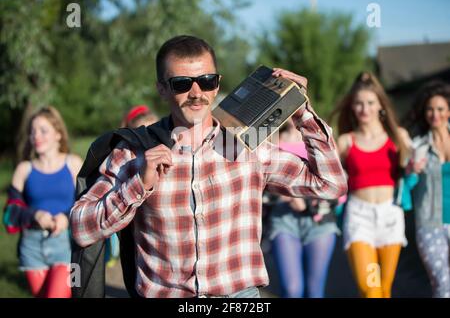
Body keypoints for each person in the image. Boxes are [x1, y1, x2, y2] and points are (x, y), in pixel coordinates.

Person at [70, 35, 347, 298]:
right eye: (181, 83)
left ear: (217, 84)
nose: (196, 93)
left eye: (206, 81)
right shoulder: (133, 151)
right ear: (162, 88)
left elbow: (331, 184)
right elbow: (81, 228)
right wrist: (138, 186)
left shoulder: (248, 146)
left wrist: (301, 112)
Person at [330, 72, 411, 298]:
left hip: (390, 217)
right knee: (371, 289)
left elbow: (412, 173)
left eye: (370, 103)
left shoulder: (398, 137)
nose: (364, 109)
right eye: (358, 104)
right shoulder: (346, 141)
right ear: (352, 108)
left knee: (384, 290)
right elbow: (329, 176)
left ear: (380, 106)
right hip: (359, 218)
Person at [3, 106, 83, 298]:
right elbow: (10, 214)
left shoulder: (73, 164)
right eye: (32, 131)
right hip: (32, 249)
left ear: (58, 134)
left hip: (68, 247)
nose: (36, 136)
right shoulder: (23, 169)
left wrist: (65, 217)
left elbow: (87, 204)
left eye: (43, 130)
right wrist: (35, 215)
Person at [267, 119, 340, 298]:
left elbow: (338, 184)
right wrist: (287, 195)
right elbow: (260, 179)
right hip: (284, 219)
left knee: (314, 292)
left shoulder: (321, 136)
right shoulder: (272, 138)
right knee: (292, 290)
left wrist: (311, 202)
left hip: (319, 221)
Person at [406, 81, 450, 298]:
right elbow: (406, 188)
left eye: (440, 109)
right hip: (429, 224)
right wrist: (412, 171)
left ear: (448, 111)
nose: (435, 114)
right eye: (430, 110)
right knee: (442, 284)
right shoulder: (418, 146)